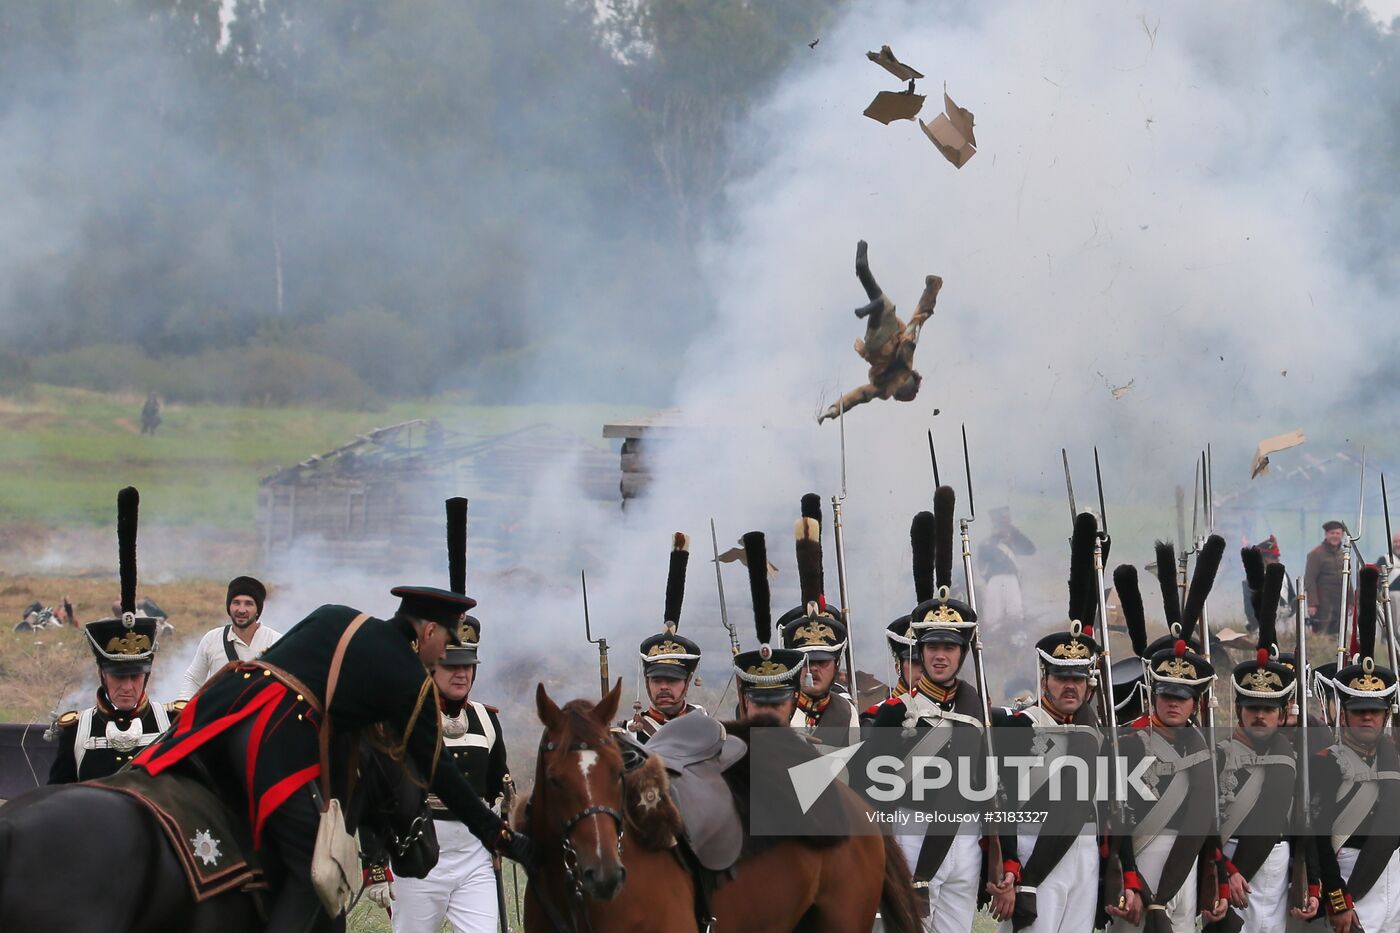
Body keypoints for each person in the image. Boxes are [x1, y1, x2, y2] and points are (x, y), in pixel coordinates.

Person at [132, 587, 532, 933]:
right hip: (271, 740)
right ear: (428, 631)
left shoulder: (337, 615)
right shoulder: (410, 681)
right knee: (315, 873)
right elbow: (439, 774)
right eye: (445, 642)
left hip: (221, 713)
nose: (445, 653)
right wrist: (502, 838)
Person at [866, 492, 1014, 933]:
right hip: (910, 835)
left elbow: (992, 789)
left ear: (963, 652)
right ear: (920, 650)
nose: (940, 656)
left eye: (949, 647)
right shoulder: (893, 713)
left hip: (965, 840)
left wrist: (1003, 859)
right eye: (932, 646)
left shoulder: (978, 708)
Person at [994, 511, 1141, 932]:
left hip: (1084, 852)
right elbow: (1002, 800)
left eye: (1078, 678)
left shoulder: (1099, 734)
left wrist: (1127, 873)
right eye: (1061, 677)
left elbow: (1117, 807)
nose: (1070, 687)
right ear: (1045, 678)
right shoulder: (1020, 725)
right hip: (1034, 846)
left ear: (1090, 684)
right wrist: (1009, 863)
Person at [1210, 552, 1318, 932]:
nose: (1260, 715)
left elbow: (1306, 819)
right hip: (1229, 860)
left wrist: (1314, 878)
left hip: (1276, 862)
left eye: (1268, 709)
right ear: (1239, 709)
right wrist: (1222, 871)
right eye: (1252, 707)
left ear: (1282, 711)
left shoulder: (1292, 753)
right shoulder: (1216, 756)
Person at [50, 487, 183, 784]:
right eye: (118, 678)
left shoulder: (171, 724)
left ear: (146, 677)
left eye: (134, 677)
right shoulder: (76, 731)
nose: (127, 686)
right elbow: (57, 799)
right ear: (102, 675)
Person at [390, 614, 509, 933]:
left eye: (467, 665)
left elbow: (499, 783)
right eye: (450, 665)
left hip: (473, 855)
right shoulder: (404, 717)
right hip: (419, 852)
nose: (461, 673)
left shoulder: (487, 719)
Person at [1311, 566, 1400, 933]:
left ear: (1385, 716)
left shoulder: (1393, 758)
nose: (1367, 719)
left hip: (1392, 872)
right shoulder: (1327, 763)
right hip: (1350, 872)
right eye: (1359, 712)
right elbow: (1318, 835)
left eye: (1374, 713)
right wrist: (1337, 898)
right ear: (1344, 715)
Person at [818, 240, 942, 423]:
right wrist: (932, 289)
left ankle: (872, 299)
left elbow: (860, 395)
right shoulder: (899, 370)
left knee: (883, 305)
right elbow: (860, 395)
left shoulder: (889, 383)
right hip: (883, 338)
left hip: (881, 340)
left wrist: (835, 409)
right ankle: (863, 270)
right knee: (879, 300)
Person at [779, 496, 856, 746]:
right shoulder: (776, 712)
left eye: (822, 662)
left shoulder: (846, 712)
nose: (813, 669)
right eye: (806, 662)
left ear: (835, 664)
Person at [625, 533, 706, 741]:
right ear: (646, 682)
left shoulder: (706, 729)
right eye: (657, 680)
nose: (663, 687)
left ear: (687, 682)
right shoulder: (630, 735)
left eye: (672, 680)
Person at [178, 575, 282, 699]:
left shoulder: (276, 642)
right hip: (218, 716)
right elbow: (193, 680)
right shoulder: (211, 639)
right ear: (229, 606)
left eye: (249, 604)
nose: (241, 610)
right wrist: (183, 706)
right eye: (236, 603)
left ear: (258, 610)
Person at [977, 507, 1036, 632]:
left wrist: (1015, 534)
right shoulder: (987, 543)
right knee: (993, 614)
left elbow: (1030, 549)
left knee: (1015, 611)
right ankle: (995, 640)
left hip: (1011, 579)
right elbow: (982, 562)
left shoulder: (1014, 540)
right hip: (994, 580)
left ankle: (1017, 640)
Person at [1304, 520, 1348, 634]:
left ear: (1342, 535)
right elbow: (1310, 580)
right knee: (1322, 632)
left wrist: (1351, 601)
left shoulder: (1344, 554)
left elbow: (1347, 579)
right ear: (1326, 534)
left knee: (1339, 632)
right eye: (1332, 533)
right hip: (1323, 602)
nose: (1335, 536)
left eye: (1337, 533)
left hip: (1340, 601)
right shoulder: (1316, 554)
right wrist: (1312, 604)